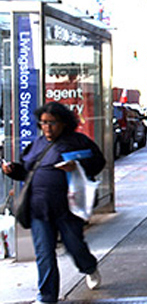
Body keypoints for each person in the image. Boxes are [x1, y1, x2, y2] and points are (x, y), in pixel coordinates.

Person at [3, 102, 106, 304]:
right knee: (44, 254)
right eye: (43, 123)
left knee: (75, 246)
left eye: (52, 123)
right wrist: (12, 170)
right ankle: (47, 297)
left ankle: (89, 267)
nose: (47, 128)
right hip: (39, 208)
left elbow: (98, 163)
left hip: (68, 207)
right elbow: (26, 170)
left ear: (64, 123)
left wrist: (77, 165)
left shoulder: (78, 141)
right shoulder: (37, 145)